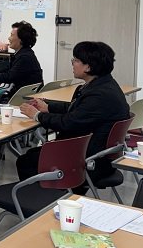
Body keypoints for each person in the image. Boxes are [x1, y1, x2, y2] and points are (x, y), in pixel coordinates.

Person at [18, 41, 130, 184]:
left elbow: (67, 123)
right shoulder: (104, 85)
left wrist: (37, 115)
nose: (72, 63)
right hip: (97, 153)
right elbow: (78, 110)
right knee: (33, 155)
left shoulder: (98, 95)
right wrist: (48, 107)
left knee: (26, 161)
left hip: (88, 159)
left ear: (88, 67)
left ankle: (44, 200)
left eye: (76, 60)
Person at [0, 21, 43, 94]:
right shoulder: (24, 53)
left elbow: (9, 77)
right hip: (22, 94)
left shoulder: (25, 57)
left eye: (12, 35)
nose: (9, 38)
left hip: (23, 98)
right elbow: (7, 71)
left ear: (21, 39)